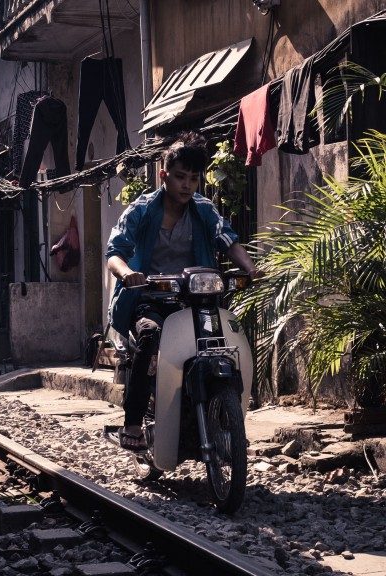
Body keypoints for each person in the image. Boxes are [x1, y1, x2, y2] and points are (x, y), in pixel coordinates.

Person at [105, 132, 261, 452]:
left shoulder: (203, 209)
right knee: (149, 335)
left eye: (193, 178)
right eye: (179, 177)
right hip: (149, 299)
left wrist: (251, 268)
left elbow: (228, 240)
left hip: (196, 300)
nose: (187, 185)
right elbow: (114, 253)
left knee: (226, 343)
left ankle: (230, 418)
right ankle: (133, 423)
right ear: (164, 175)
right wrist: (129, 274)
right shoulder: (142, 209)